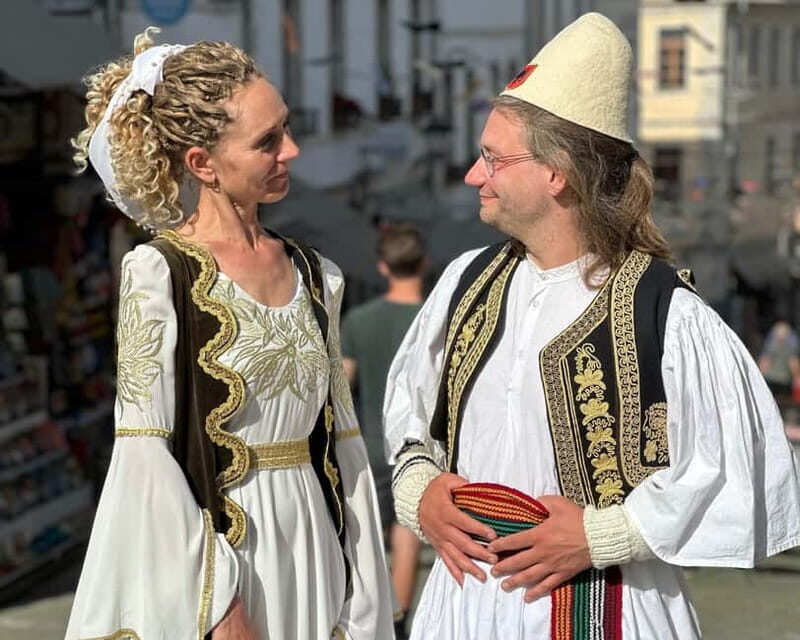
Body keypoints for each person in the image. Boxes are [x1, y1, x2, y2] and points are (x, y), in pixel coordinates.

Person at [384, 12, 800, 640]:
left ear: (558, 174)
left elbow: (732, 473)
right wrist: (420, 491)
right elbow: (410, 417)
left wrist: (603, 534)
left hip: (605, 604)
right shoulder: (465, 282)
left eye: (494, 159)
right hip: (465, 604)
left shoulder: (666, 312)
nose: (473, 175)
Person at [65, 28, 394, 640]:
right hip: (223, 564)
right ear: (202, 163)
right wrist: (216, 603)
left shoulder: (317, 274)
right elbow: (145, 454)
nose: (291, 150)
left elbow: (343, 443)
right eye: (267, 141)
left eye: (286, 128)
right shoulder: (158, 275)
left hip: (316, 551)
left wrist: (364, 594)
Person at [341, 223, 426, 639]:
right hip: (417, 444)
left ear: (382, 266)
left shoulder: (359, 320)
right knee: (407, 531)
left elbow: (344, 385)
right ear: (423, 264)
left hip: (370, 442)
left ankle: (368, 620)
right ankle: (398, 622)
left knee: (368, 536)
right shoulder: (432, 318)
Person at [758, 319, 800, 401]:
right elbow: (793, 363)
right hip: (785, 381)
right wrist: (796, 378)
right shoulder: (791, 345)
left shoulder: (771, 344)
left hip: (770, 380)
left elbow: (765, 362)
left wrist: (759, 379)